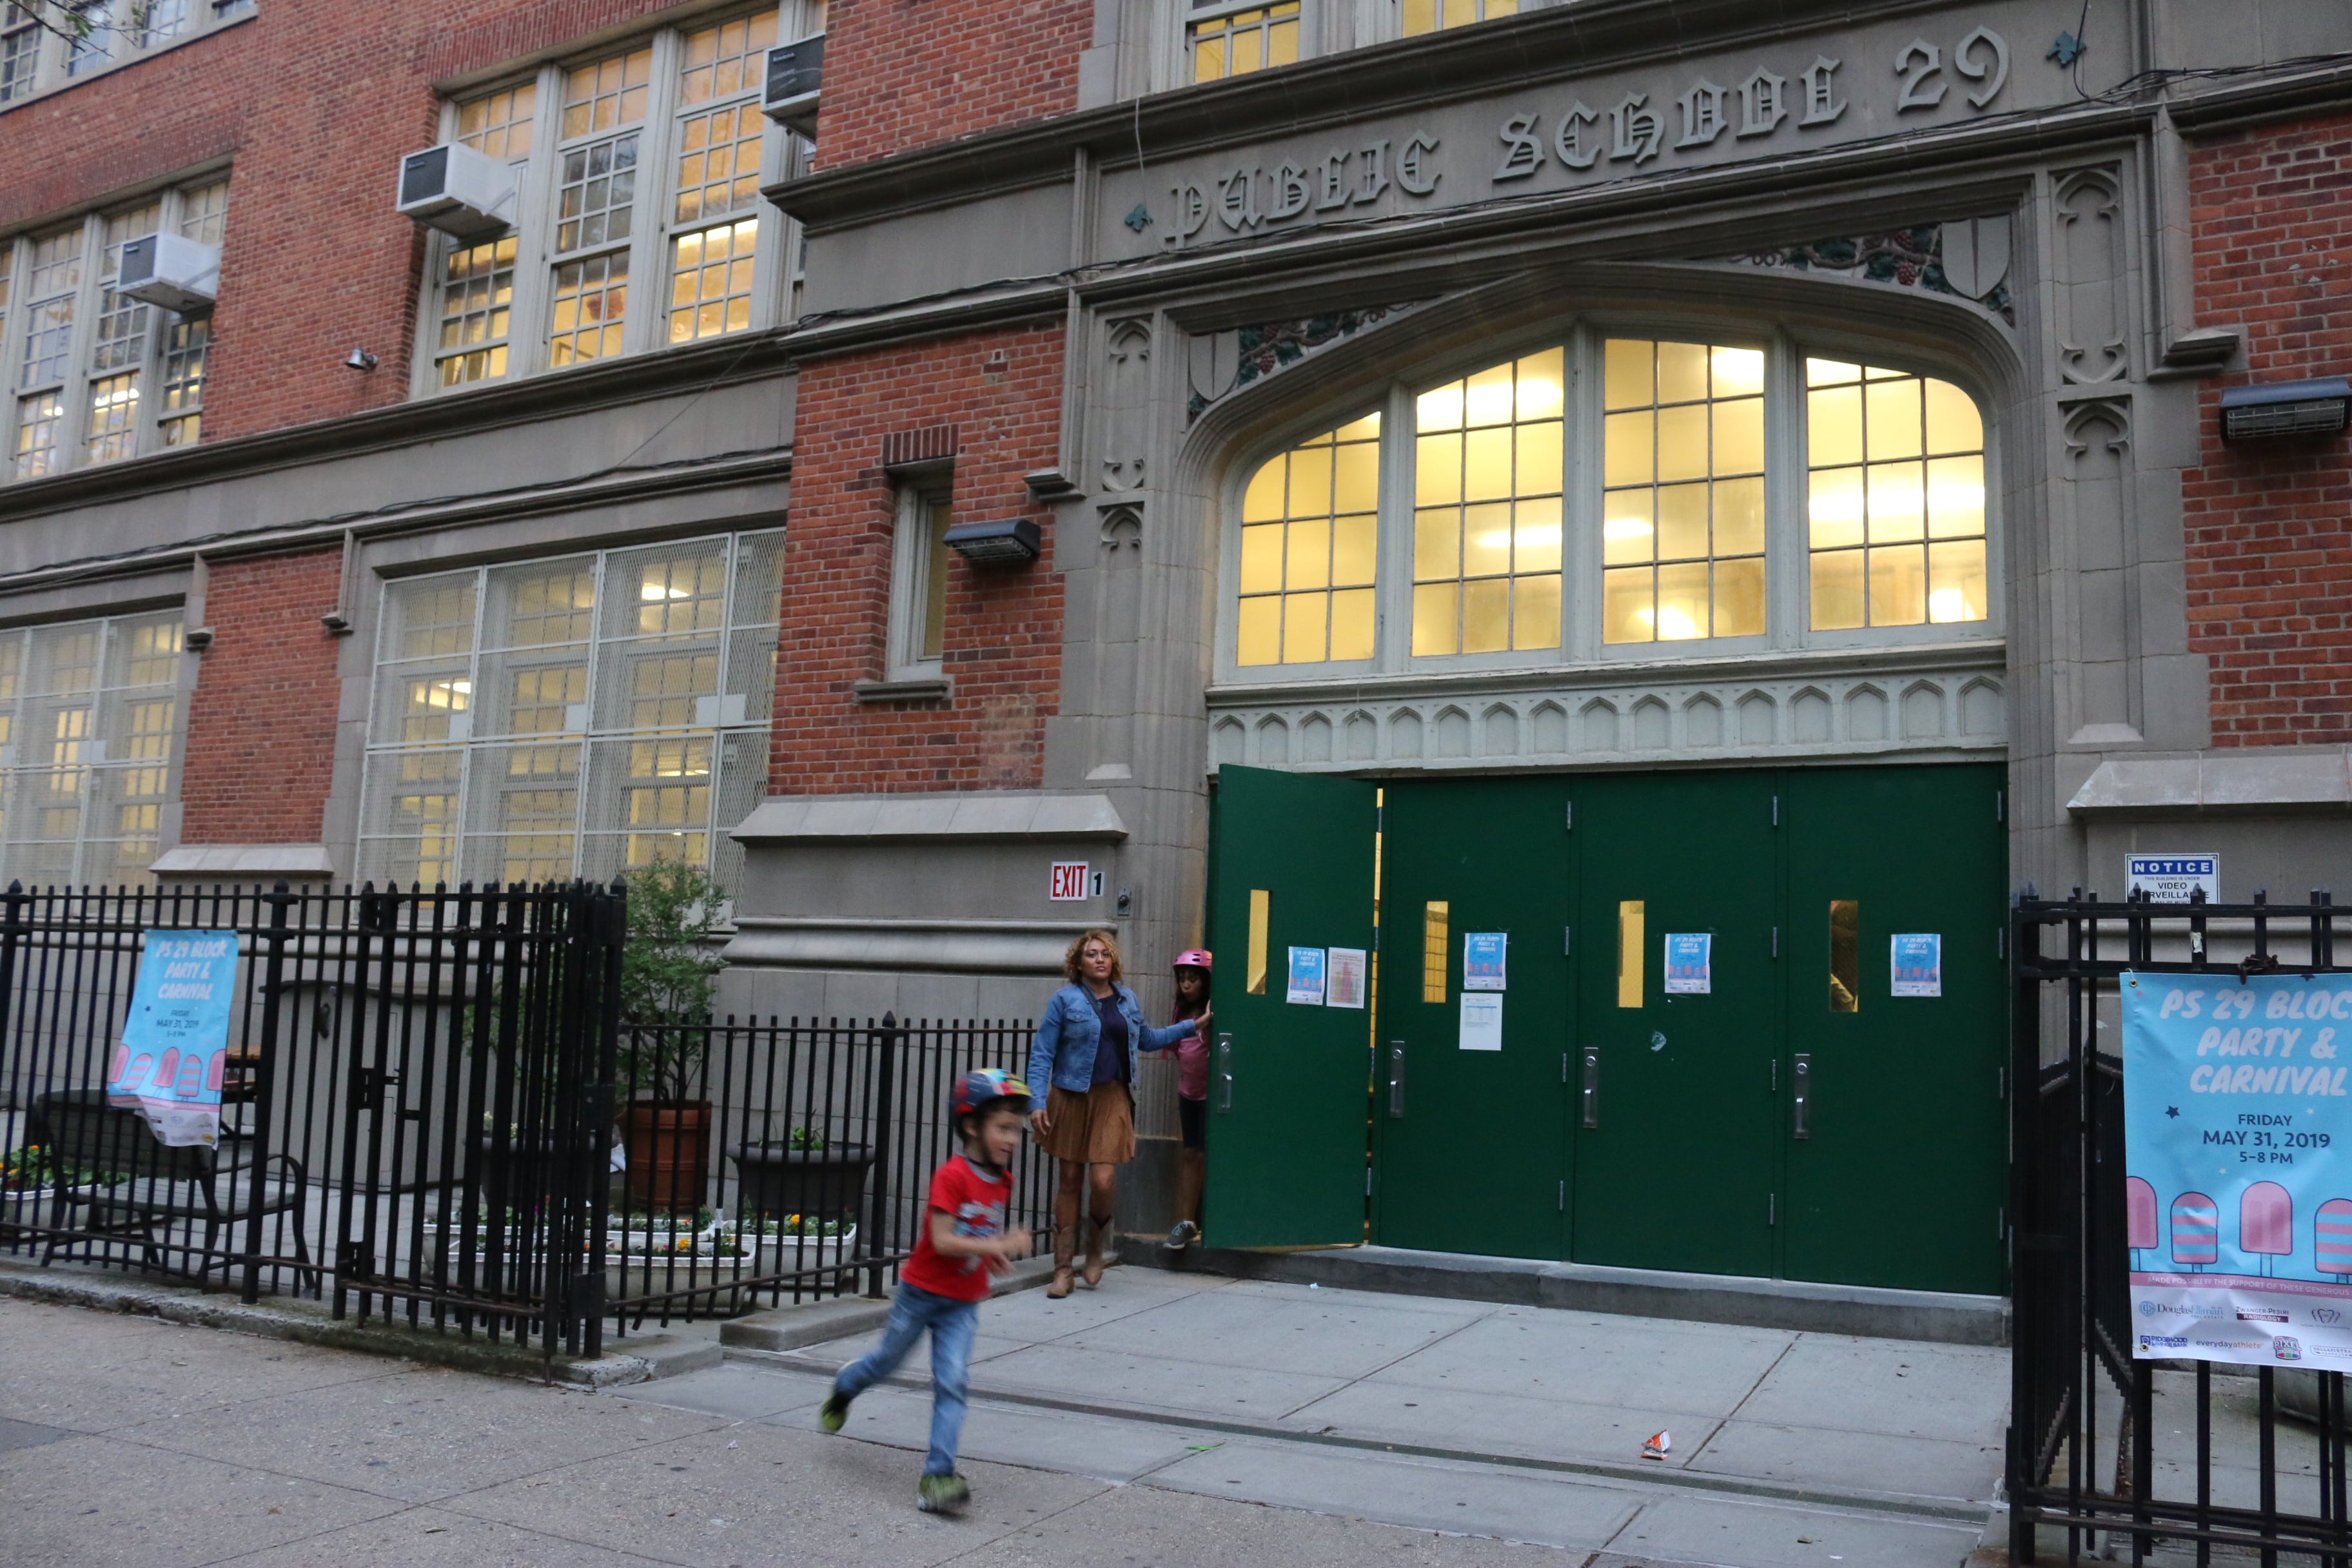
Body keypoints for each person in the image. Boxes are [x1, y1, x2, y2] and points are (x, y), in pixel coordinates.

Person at [818, 1068, 1033, 1515]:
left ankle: (938, 1476)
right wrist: (996, 1242)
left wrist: (991, 1255)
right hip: (921, 1293)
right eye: (1004, 1128)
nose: (1013, 1139)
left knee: (953, 1381)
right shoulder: (951, 1177)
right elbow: (942, 1240)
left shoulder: (1003, 1180)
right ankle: (846, 1385)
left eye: (1017, 1129)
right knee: (885, 1363)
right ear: (972, 1125)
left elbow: (976, 1231)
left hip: (963, 1302)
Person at [1026, 928, 1208, 1298]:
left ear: (1114, 962)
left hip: (1112, 1099)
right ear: (1078, 963)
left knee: (1104, 1181)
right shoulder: (1064, 1000)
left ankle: (1095, 1247)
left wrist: (1194, 1025)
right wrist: (1036, 1102)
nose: (1100, 959)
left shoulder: (1126, 1000)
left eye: (1105, 954)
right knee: (1070, 1181)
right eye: (1092, 954)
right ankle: (1063, 1269)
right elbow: (1042, 1052)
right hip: (1071, 1096)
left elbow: (1148, 1039)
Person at [1162, 949, 1212, 1253]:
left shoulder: (1213, 1009)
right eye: (1182, 979)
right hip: (1188, 1094)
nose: (1186, 985)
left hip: (1213, 1094)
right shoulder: (1181, 1012)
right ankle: (1187, 1222)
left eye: (1193, 979)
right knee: (1191, 1155)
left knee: (1212, 1156)